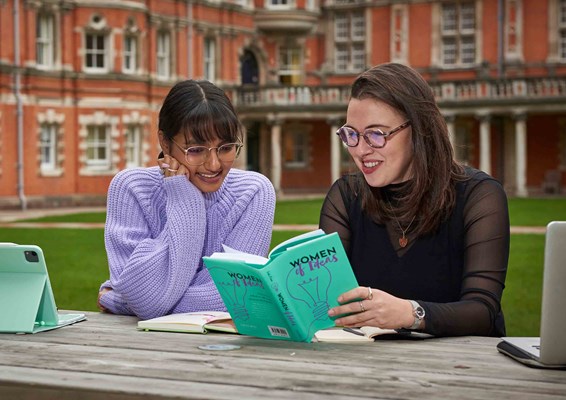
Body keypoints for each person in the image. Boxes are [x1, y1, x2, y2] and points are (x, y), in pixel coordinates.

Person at [320, 63, 509, 337]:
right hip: (371, 366)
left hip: (463, 365)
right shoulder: (346, 197)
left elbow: (483, 311)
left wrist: (411, 313)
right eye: (351, 135)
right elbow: (329, 302)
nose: (360, 150)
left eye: (376, 134)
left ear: (419, 129)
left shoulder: (479, 196)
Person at [98, 80, 276, 320]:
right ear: (165, 142)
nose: (213, 165)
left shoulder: (254, 192)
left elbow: (233, 297)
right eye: (196, 150)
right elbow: (144, 297)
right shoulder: (131, 189)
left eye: (225, 148)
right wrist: (182, 196)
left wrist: (121, 300)